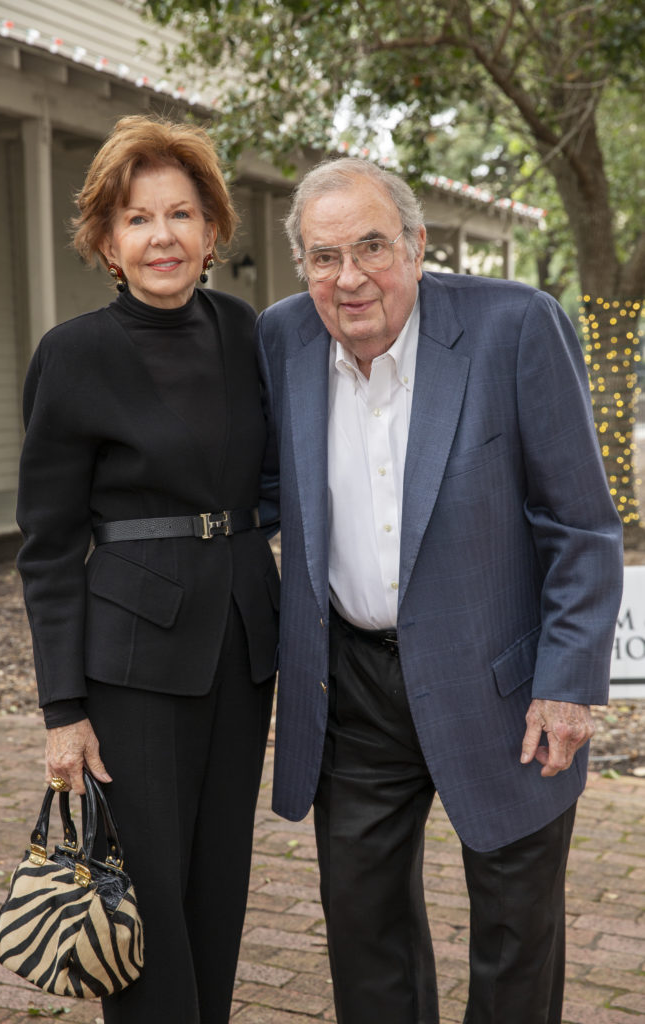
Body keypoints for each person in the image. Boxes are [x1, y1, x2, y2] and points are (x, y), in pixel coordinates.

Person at [255, 157, 623, 1024]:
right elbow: (261, 492)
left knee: (514, 938)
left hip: (503, 685)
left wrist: (566, 684)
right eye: (322, 256)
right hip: (351, 689)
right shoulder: (281, 339)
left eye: (372, 247)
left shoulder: (515, 326)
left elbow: (580, 526)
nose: (349, 278)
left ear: (418, 246)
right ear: (301, 265)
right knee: (363, 930)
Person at [16, 114, 279, 1024]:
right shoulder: (73, 354)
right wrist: (63, 711)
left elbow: (277, 477)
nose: (161, 235)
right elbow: (47, 543)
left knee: (218, 885)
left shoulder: (247, 332)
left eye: (180, 214)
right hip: (129, 662)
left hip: (243, 646)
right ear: (104, 240)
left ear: (212, 232)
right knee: (143, 899)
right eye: (136, 218)